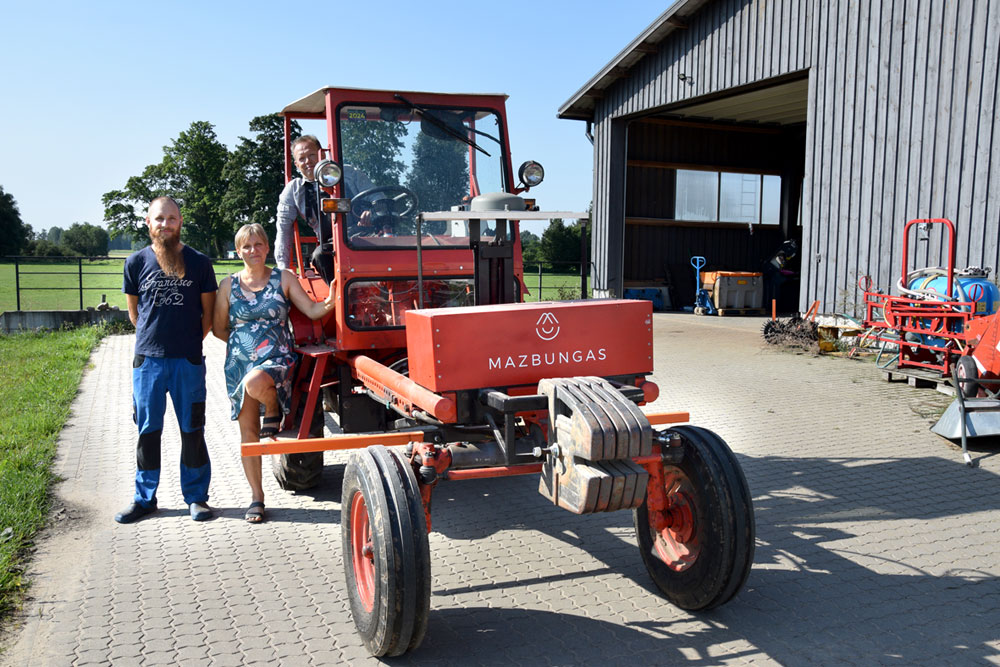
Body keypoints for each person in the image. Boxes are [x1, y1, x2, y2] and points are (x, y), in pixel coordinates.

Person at [213, 223, 335, 523]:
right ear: (238, 251)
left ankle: (273, 408)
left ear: (267, 247)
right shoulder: (227, 285)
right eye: (246, 246)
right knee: (248, 434)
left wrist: (332, 299)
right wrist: (246, 346)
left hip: (277, 360)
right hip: (239, 364)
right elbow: (219, 328)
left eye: (258, 244)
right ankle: (257, 498)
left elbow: (312, 311)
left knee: (256, 381)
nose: (253, 250)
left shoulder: (283, 278)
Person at [116, 196, 218, 524]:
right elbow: (135, 314)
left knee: (192, 429)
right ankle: (144, 499)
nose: (165, 224)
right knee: (148, 431)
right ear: (148, 222)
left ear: (180, 222)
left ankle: (197, 497)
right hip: (148, 363)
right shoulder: (135, 263)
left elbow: (208, 314)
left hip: (187, 361)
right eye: (159, 219)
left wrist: (189, 344)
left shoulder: (199, 263)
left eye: (172, 218)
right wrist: (153, 342)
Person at [274, 134, 375, 282]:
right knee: (319, 255)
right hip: (331, 244)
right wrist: (282, 267)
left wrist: (371, 211)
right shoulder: (294, 190)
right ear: (296, 164)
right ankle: (341, 293)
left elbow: (377, 199)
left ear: (322, 155)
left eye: (312, 155)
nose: (308, 161)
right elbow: (283, 229)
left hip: (366, 235)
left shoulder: (349, 174)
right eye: (302, 158)